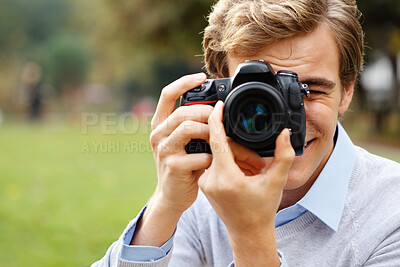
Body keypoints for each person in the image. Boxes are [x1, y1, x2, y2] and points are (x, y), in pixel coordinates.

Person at [92, 0, 400, 266]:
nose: (286, 119)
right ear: (220, 93)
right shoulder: (201, 191)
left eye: (309, 90)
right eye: (260, 94)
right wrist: (165, 205)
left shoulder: (390, 212)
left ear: (347, 91)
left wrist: (250, 236)